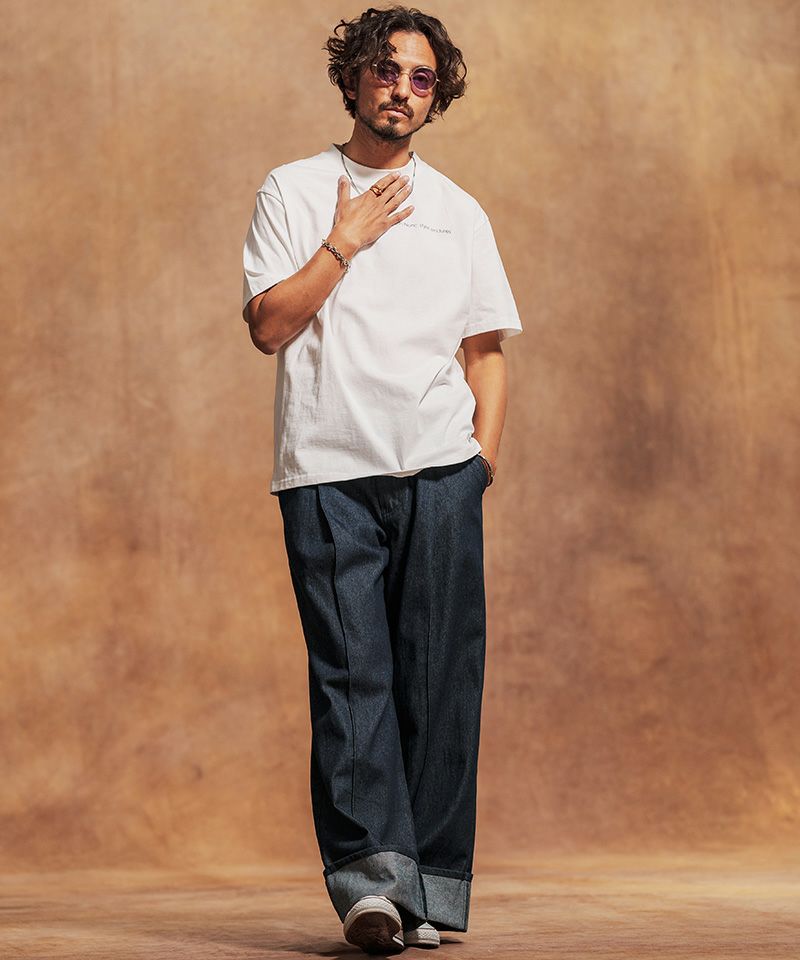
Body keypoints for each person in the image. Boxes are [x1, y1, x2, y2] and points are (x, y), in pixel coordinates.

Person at [241, 5, 522, 953]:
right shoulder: (293, 189)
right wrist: (344, 241)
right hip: (327, 472)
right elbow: (269, 326)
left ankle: (431, 891)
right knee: (351, 678)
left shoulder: (459, 211)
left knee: (442, 683)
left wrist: (479, 464)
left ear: (435, 97)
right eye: (387, 69)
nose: (402, 89)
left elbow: (486, 350)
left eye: (421, 77)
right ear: (354, 76)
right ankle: (373, 887)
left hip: (440, 473)